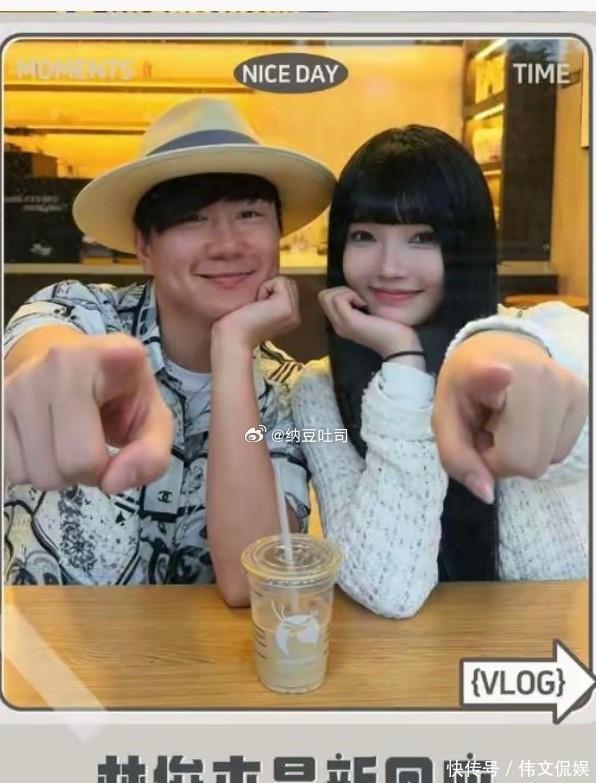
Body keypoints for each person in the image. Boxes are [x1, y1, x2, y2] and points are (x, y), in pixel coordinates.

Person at [3, 97, 335, 600]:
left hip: (199, 652)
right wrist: (52, 378)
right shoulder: (83, 314)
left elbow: (251, 582)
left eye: (249, 213)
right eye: (192, 219)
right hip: (42, 644)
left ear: (278, 235)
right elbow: (44, 348)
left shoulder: (292, 392)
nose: (228, 244)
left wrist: (232, 348)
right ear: (144, 247)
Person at [291, 125, 588, 618]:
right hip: (413, 656)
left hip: (547, 644)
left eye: (422, 238)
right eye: (364, 236)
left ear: (465, 244)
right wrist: (403, 361)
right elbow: (386, 589)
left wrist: (502, 348)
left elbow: (572, 367)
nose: (389, 267)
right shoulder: (318, 394)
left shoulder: (535, 337)